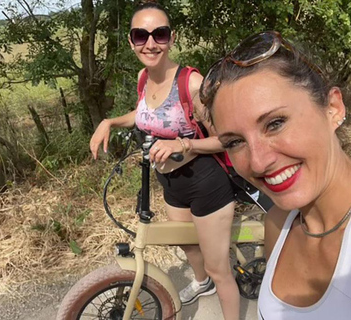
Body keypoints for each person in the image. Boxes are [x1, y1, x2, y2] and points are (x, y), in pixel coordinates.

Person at [200, 30, 351, 319]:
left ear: (333, 108)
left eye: (275, 123)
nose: (258, 163)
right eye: (234, 142)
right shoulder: (279, 223)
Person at [89, 1, 241, 318]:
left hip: (205, 181)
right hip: (169, 181)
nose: (150, 43)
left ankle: (223, 300)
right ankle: (202, 284)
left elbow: (226, 138)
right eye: (140, 35)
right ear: (131, 41)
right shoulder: (144, 78)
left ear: (171, 38)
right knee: (185, 244)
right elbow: (144, 114)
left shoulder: (192, 83)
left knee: (219, 267)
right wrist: (111, 121)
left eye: (159, 33)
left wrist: (186, 144)